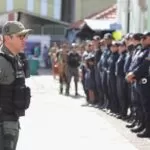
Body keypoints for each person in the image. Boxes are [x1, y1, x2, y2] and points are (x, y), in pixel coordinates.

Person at [0, 21, 31, 150]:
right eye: (20, 36)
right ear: (8, 38)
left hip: (11, 123)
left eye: (25, 36)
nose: (24, 40)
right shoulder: (1, 61)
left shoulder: (16, 58)